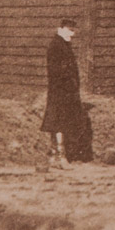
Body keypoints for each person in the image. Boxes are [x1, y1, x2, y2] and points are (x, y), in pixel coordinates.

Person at [41, 20, 91, 165]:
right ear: (61, 29)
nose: (72, 34)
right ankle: (59, 157)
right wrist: (69, 84)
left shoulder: (63, 45)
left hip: (66, 92)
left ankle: (55, 155)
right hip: (60, 92)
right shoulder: (56, 46)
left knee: (61, 123)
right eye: (70, 30)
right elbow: (58, 71)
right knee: (58, 123)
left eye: (73, 31)